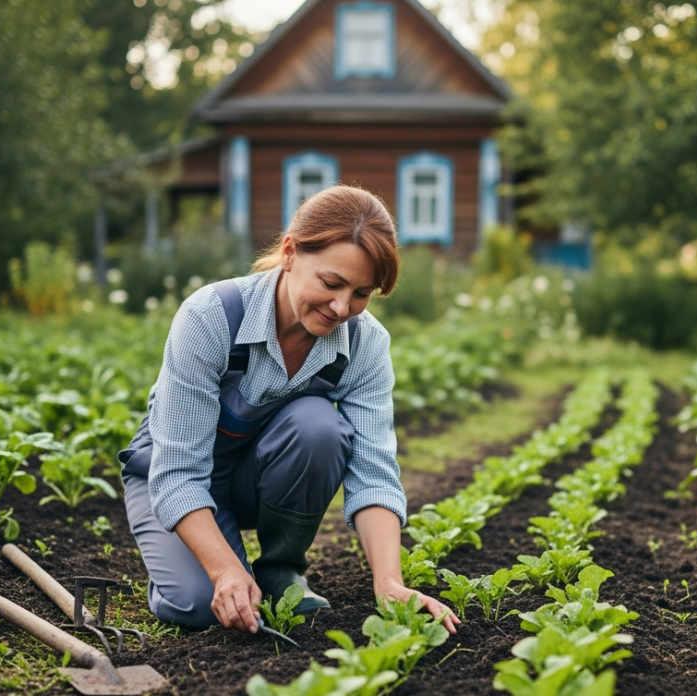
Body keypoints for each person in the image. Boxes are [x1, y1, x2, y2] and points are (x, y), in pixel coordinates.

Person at [118, 185, 460, 636]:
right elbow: (178, 471)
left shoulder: (365, 343)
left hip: (254, 482)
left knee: (318, 427)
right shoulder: (211, 316)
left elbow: (375, 472)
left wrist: (389, 582)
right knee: (202, 608)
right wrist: (223, 572)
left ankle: (280, 571)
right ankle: (188, 566)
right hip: (173, 476)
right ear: (290, 253)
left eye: (361, 293)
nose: (342, 308)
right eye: (331, 283)